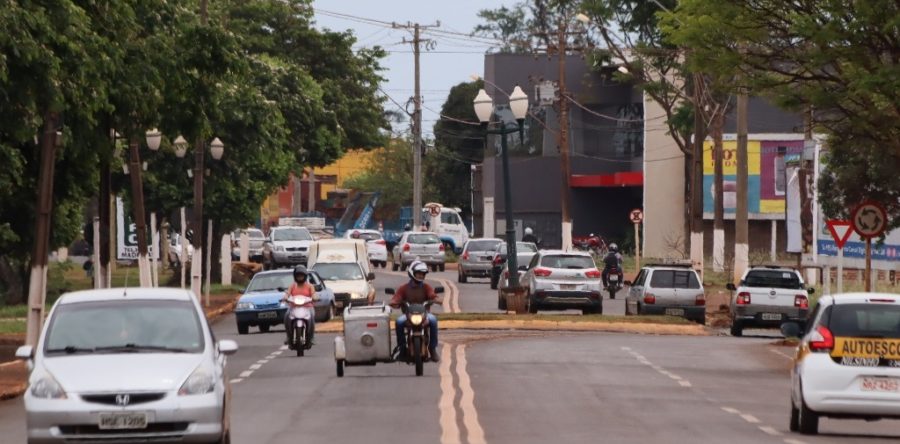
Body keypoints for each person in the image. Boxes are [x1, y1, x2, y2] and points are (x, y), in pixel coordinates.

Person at [390, 260, 443, 362]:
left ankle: (432, 348)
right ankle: (402, 349)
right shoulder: (404, 288)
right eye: (419, 273)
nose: (421, 276)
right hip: (408, 316)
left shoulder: (426, 287)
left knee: (433, 321)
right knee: (399, 322)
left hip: (424, 315)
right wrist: (393, 302)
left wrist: (437, 299)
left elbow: (432, 295)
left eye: (423, 274)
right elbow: (397, 297)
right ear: (412, 273)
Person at [281, 265, 319, 348]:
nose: (300, 277)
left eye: (301, 275)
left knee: (312, 317)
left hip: (308, 307)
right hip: (293, 307)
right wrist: (285, 297)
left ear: (305, 276)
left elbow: (314, 294)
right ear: (295, 276)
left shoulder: (310, 286)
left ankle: (311, 337)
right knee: (286, 316)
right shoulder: (292, 286)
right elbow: (287, 293)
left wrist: (315, 297)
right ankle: (288, 336)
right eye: (298, 276)